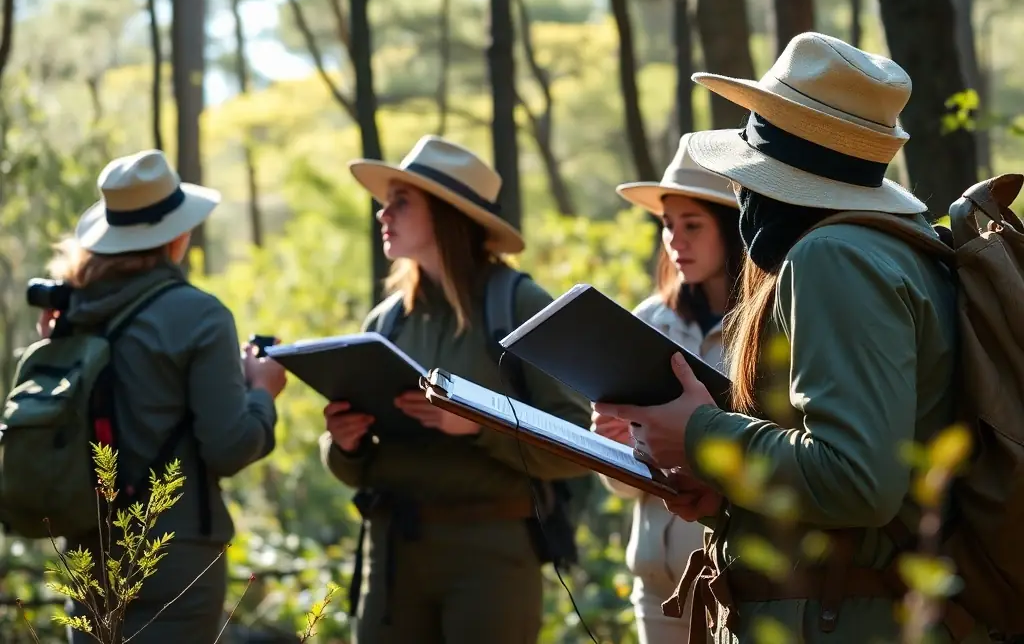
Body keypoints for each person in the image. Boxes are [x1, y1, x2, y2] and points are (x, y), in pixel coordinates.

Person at [594, 32, 990, 643]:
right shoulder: (893, 248)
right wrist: (728, 486)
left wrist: (700, 432)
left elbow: (857, 479)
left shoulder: (835, 257)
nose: (739, 193)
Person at [318, 135, 592, 644]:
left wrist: (477, 425)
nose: (383, 214)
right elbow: (354, 467)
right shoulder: (385, 321)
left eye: (401, 202)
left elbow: (580, 445)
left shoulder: (520, 303)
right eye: (385, 201)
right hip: (392, 553)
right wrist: (344, 444)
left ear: (447, 214)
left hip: (492, 556)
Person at [50, 149, 286, 643]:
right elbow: (229, 446)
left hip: (87, 550)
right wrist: (262, 392)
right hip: (175, 562)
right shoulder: (200, 317)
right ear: (177, 237)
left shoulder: (70, 312)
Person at [593, 133, 741, 644]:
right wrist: (613, 446)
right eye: (667, 225)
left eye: (693, 224)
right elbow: (624, 485)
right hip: (656, 588)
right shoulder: (646, 323)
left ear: (730, 229)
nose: (676, 240)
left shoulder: (766, 327)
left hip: (739, 580)